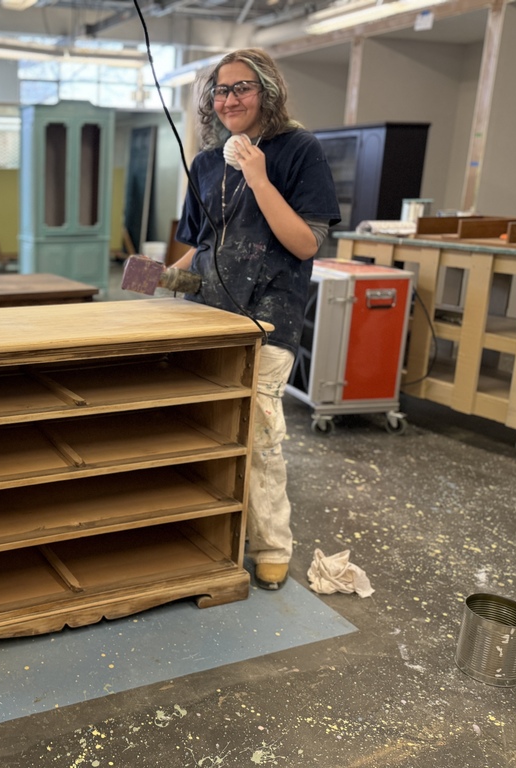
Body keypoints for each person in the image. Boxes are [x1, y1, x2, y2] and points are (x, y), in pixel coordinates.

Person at [169, 48, 341, 591]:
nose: (230, 99)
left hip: (269, 318)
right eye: (220, 91)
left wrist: (260, 178)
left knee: (260, 431)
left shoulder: (298, 151)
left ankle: (271, 544)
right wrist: (157, 279)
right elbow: (203, 250)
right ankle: (210, 535)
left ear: (266, 91)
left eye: (242, 88)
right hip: (210, 316)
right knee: (206, 430)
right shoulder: (205, 163)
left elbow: (304, 242)